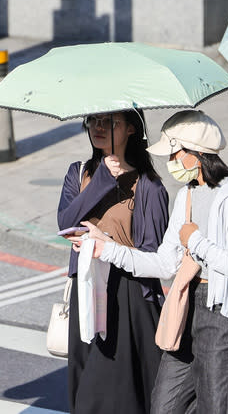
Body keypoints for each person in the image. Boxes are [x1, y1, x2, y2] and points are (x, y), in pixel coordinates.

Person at [73, 110, 228, 414]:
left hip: (225, 316)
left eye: (175, 154)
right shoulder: (187, 195)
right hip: (188, 304)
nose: (171, 163)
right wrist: (107, 249)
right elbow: (165, 264)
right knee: (165, 405)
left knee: (215, 407)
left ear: (196, 153)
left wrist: (195, 241)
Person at [57, 110, 168, 414]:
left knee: (117, 394)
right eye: (93, 121)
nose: (98, 128)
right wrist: (102, 179)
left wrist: (109, 246)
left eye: (110, 122)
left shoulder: (149, 186)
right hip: (87, 287)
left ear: (131, 129)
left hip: (128, 294)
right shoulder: (78, 173)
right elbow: (66, 222)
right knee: (84, 381)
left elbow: (153, 254)